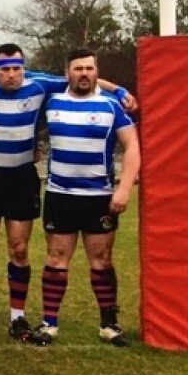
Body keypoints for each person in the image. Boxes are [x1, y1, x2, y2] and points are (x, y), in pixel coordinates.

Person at [0, 43, 135, 341]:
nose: (11, 74)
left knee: (21, 249)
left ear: (24, 69)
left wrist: (118, 90)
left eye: (16, 68)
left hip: (25, 177)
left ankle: (19, 318)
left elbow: (81, 77)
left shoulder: (42, 86)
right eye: (5, 69)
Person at [28, 47, 140, 347]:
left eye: (90, 68)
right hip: (60, 195)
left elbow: (132, 146)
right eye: (78, 69)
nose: (84, 74)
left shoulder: (111, 105)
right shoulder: (52, 100)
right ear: (67, 72)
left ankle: (109, 325)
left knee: (102, 260)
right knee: (56, 258)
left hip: (99, 197)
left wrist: (124, 188)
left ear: (97, 72)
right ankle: (49, 324)